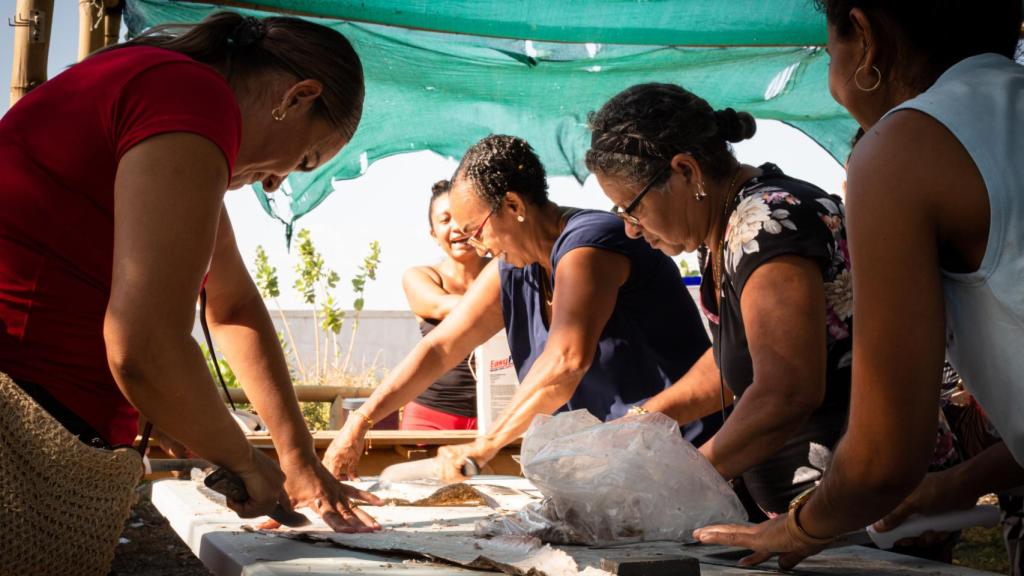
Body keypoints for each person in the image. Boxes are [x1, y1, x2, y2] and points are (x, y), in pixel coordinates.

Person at [0, 12, 381, 535]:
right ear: (298, 97)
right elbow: (143, 348)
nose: (275, 184)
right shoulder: (190, 98)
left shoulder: (168, 98)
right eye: (305, 159)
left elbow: (234, 306)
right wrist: (241, 459)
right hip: (27, 427)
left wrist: (298, 458)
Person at [693, 1, 1024, 570]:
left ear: (865, 37)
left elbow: (883, 457)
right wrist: (961, 481)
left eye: (829, 50)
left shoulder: (906, 145)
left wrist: (797, 530)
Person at [323, 134, 711, 481]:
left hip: (689, 458)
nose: (479, 249)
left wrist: (485, 445)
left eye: (476, 232)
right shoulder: (513, 267)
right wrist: (360, 422)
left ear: (512, 205)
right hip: (617, 467)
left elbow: (565, 361)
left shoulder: (591, 244)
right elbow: (441, 347)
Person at [586, 83, 852, 516]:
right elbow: (742, 353)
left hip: (851, 511)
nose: (631, 228)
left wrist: (680, 482)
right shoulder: (731, 227)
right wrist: (645, 420)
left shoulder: (766, 226)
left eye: (630, 207)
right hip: (809, 511)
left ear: (686, 171)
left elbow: (786, 390)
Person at [399, 180, 488, 430]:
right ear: (434, 234)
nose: (458, 228)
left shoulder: (505, 269)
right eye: (445, 220)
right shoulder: (420, 276)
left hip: (501, 416)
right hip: (431, 417)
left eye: (465, 217)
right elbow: (441, 306)